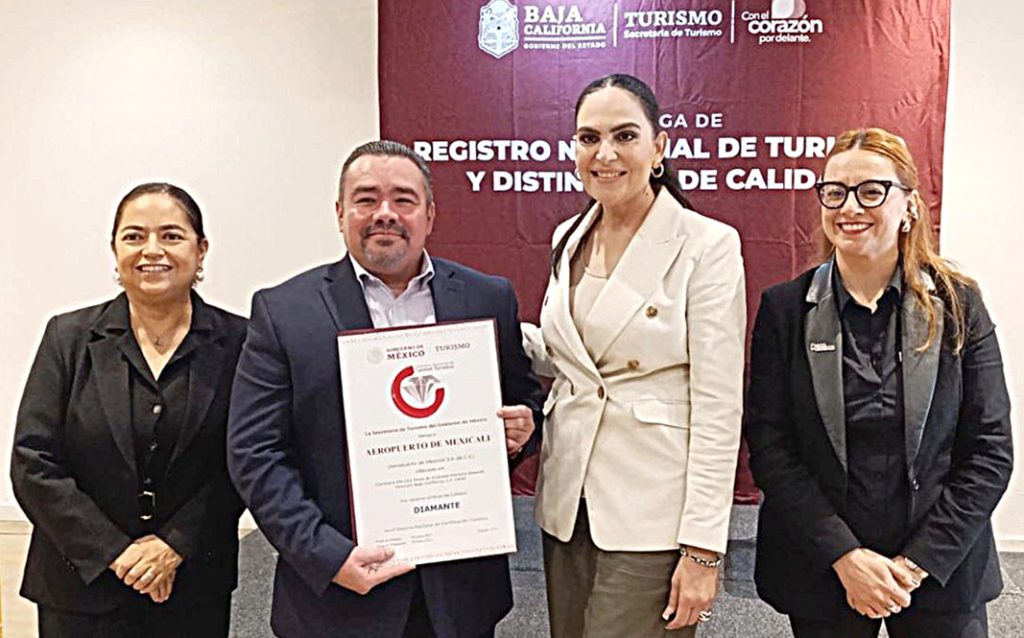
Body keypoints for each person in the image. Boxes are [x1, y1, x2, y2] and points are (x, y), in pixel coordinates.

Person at [226, 140, 543, 638]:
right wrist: (326, 555)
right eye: (366, 199)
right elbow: (255, 453)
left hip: (458, 595)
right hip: (337, 598)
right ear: (340, 212)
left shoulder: (486, 298)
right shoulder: (284, 311)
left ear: (430, 215)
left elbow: (526, 403)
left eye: (403, 199)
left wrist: (522, 429)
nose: (385, 213)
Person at [745, 127, 1013, 638]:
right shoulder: (785, 309)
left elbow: (990, 450)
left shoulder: (959, 305)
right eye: (835, 192)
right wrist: (846, 557)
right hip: (825, 566)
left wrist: (914, 567)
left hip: (941, 567)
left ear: (908, 205)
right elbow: (771, 447)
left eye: (871, 191)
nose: (850, 207)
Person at [521, 74, 747, 637]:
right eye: (588, 138)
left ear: (658, 146)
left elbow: (719, 406)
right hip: (568, 502)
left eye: (624, 136)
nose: (605, 154)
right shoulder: (567, 237)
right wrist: (482, 336)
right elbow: (573, 356)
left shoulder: (707, 244)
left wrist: (703, 549)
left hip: (652, 510)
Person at [10, 183, 248, 637]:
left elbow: (246, 461)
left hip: (190, 584)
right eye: (135, 236)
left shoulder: (241, 342)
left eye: (171, 235)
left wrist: (175, 544)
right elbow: (32, 462)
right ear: (114, 249)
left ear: (201, 249)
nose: (151, 250)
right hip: (79, 587)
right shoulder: (68, 338)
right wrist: (116, 553)